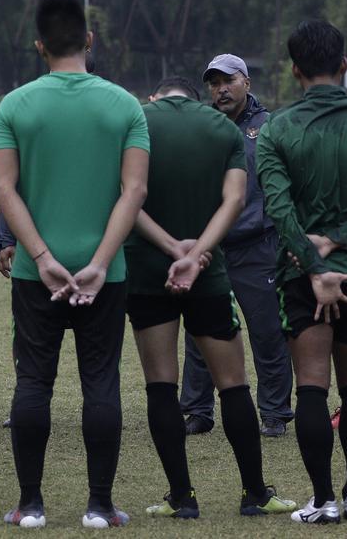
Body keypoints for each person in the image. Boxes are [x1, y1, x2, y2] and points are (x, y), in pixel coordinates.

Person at [0, 0, 148, 529]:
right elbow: (134, 191)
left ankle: (30, 505)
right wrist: (101, 262)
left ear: (39, 46)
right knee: (101, 382)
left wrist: (40, 256)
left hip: (39, 275)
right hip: (107, 274)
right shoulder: (126, 106)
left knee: (33, 382)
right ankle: (100, 506)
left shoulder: (14, 106)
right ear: (89, 40)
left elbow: (4, 190)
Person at [126, 76, 296, 520]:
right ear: (196, 98)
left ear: (155, 96)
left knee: (161, 385)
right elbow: (236, 200)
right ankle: (255, 493)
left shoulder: (136, 121)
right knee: (234, 384)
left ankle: (181, 498)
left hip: (148, 271)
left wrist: (172, 249)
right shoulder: (223, 128)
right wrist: (198, 251)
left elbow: (128, 197)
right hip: (208, 273)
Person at [258, 19, 347, 524]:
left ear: (294, 69)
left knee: (312, 387)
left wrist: (316, 262)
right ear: (344, 65)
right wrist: (339, 241)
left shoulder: (276, 128)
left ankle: (321, 501)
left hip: (301, 276)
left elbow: (279, 211)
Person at [181, 54, 294, 438]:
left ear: (246, 81)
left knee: (267, 333)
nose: (220, 89)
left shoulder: (270, 127)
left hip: (258, 246)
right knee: (201, 331)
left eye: (227, 80)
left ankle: (275, 413)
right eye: (213, 83)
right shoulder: (204, 126)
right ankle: (197, 410)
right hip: (211, 248)